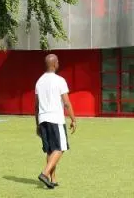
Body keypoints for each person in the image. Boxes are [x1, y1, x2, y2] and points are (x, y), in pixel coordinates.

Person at [35, 54, 77, 189]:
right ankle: (45, 173)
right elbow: (66, 103)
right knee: (60, 148)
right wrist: (73, 119)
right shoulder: (60, 80)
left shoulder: (39, 81)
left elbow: (36, 106)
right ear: (54, 64)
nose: (59, 63)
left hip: (42, 118)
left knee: (50, 150)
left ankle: (52, 179)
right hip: (55, 119)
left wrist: (37, 124)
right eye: (58, 61)